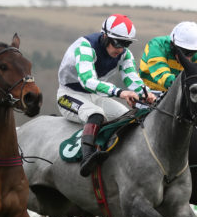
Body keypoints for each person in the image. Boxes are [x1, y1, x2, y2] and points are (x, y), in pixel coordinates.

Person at [57, 14, 156, 177]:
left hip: (97, 97)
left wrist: (146, 94)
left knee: (129, 117)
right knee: (96, 115)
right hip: (69, 95)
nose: (120, 49)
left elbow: (132, 78)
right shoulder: (85, 47)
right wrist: (120, 92)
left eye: (126, 43)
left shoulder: (125, 54)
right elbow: (88, 81)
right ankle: (87, 158)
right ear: (104, 36)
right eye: (117, 42)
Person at [139, 21, 197, 92]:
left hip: (173, 93)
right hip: (148, 93)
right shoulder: (157, 46)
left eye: (192, 53)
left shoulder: (194, 52)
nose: (188, 59)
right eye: (185, 53)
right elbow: (162, 76)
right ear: (173, 46)